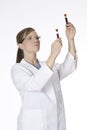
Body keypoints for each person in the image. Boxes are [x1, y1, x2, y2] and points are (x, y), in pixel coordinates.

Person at [11, 22, 77, 130]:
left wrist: (70, 39)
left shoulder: (48, 65)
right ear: (20, 45)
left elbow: (69, 67)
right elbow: (34, 85)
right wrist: (53, 55)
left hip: (57, 124)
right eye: (30, 38)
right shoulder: (18, 69)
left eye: (37, 37)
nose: (36, 40)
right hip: (34, 126)